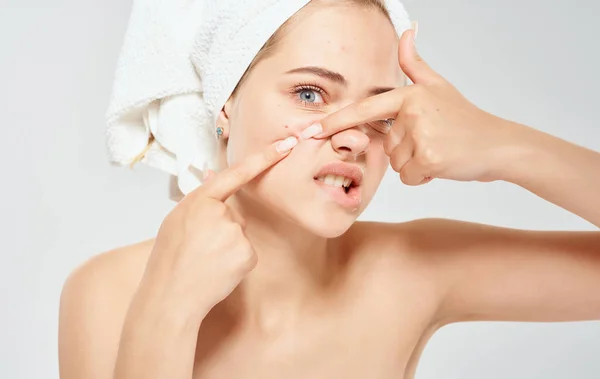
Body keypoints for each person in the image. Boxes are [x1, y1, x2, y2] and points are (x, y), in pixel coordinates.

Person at [58, 0, 600, 378]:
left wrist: (506, 147)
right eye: (311, 93)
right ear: (225, 104)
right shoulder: (108, 293)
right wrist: (169, 309)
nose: (353, 139)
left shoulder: (412, 271)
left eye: (381, 110)